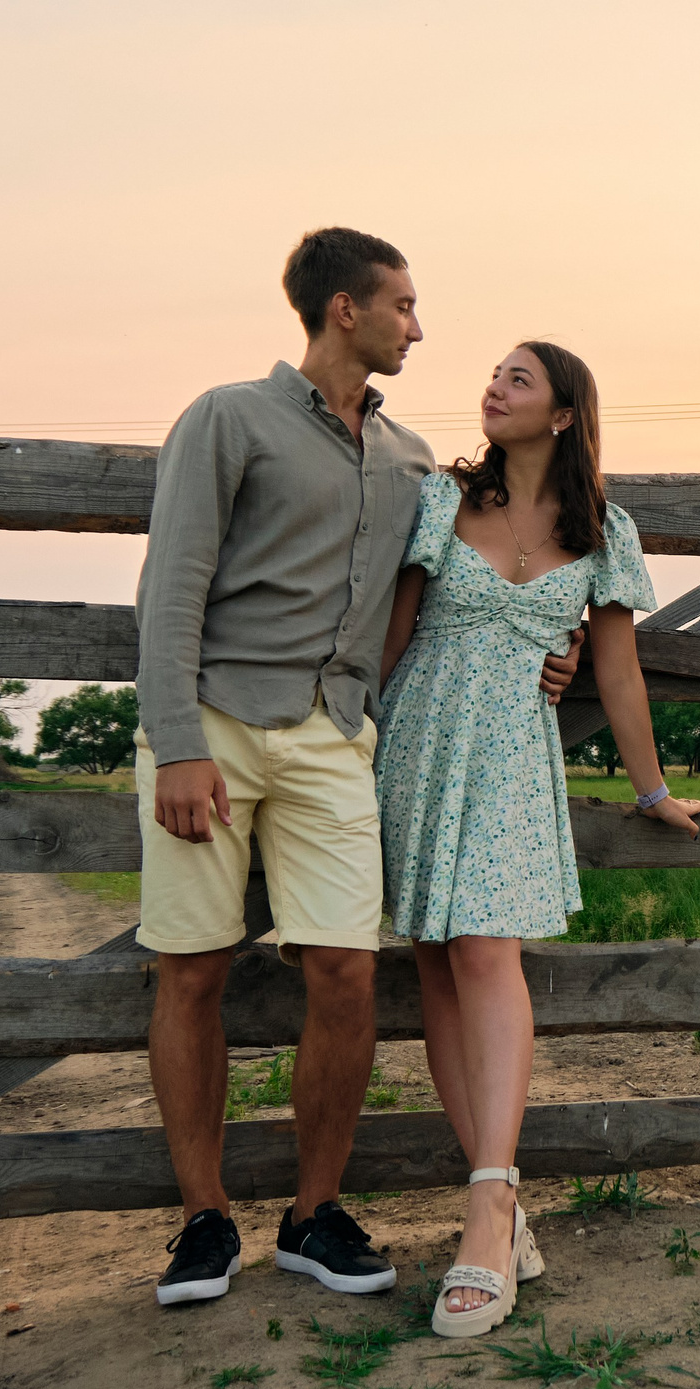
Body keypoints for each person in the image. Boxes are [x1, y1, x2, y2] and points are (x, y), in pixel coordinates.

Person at [135, 229, 582, 1308]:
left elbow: (480, 573)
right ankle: (203, 1223)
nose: (419, 328)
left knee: (343, 970)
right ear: (346, 310)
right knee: (192, 968)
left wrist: (543, 647)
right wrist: (181, 744)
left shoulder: (412, 462)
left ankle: (312, 1214)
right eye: (404, 307)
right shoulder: (227, 417)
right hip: (216, 724)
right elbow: (170, 586)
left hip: (337, 737)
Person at [376, 339, 700, 1337]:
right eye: (492, 375)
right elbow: (390, 640)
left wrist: (650, 792)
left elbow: (619, 673)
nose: (492, 388)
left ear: (563, 414)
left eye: (517, 379)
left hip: (514, 759)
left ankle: (486, 1209)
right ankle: (499, 1205)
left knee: (485, 950)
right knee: (436, 962)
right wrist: (354, 746)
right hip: (418, 740)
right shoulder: (441, 503)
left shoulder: (605, 531)